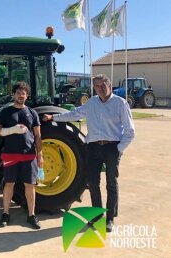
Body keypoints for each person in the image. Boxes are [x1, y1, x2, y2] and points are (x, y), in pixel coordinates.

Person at [43, 74, 135, 232]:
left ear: (109, 83)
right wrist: (53, 117)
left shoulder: (120, 103)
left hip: (112, 148)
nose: (100, 88)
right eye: (97, 86)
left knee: (111, 184)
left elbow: (130, 131)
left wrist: (118, 150)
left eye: (103, 85)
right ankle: (97, 216)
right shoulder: (91, 103)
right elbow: (74, 114)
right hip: (92, 148)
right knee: (93, 184)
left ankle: (110, 219)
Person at [0, 81, 43, 229]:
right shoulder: (6, 112)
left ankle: (31, 215)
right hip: (10, 155)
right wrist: (13, 129)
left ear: (27, 95)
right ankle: (6, 214)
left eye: (24, 93)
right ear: (14, 94)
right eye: (18, 93)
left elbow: (38, 135)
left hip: (28, 156)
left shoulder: (32, 113)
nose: (21, 95)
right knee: (9, 184)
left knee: (30, 185)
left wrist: (39, 155)